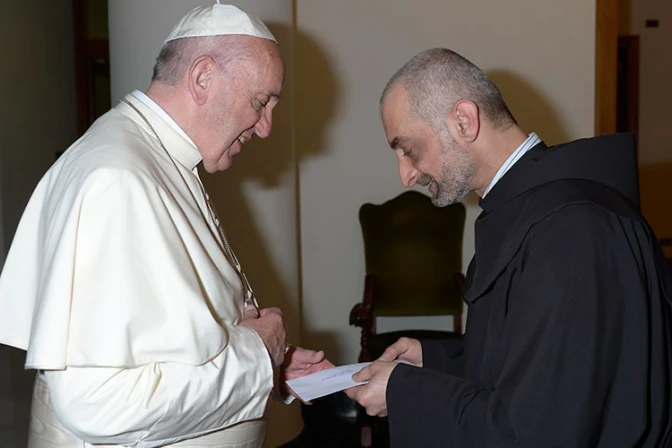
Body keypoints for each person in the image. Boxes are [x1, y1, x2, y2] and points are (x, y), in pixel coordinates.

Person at [0, 3, 332, 447]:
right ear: (202, 78)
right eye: (261, 102)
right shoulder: (116, 177)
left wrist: (272, 368)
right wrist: (256, 357)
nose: (266, 127)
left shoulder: (156, 158)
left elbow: (171, 336)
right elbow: (98, 401)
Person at [347, 48, 672, 447]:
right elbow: (535, 362)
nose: (406, 175)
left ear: (463, 121)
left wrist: (402, 391)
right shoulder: (529, 211)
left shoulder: (570, 230)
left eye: (409, 149)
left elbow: (537, 432)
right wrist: (434, 361)